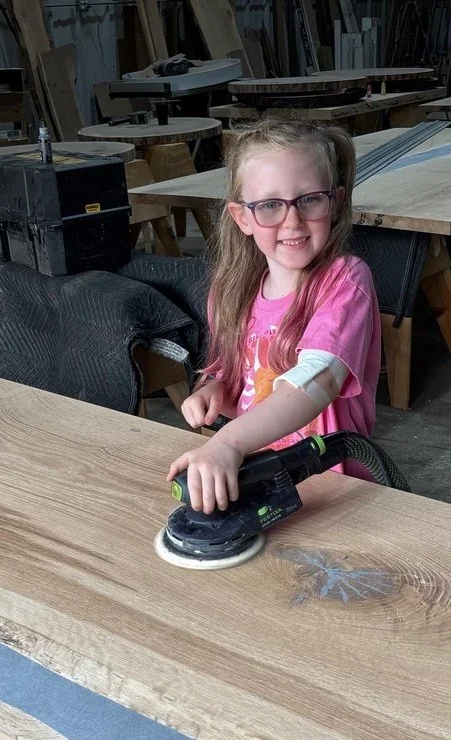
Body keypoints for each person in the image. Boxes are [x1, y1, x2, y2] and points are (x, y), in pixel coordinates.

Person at [166, 117, 381, 514]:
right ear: (243, 218)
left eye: (309, 199)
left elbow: (314, 383)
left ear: (334, 201)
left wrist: (228, 442)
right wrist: (215, 389)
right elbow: (243, 383)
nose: (293, 220)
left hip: (332, 489)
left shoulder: (345, 282)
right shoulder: (233, 293)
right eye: (269, 205)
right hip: (262, 475)